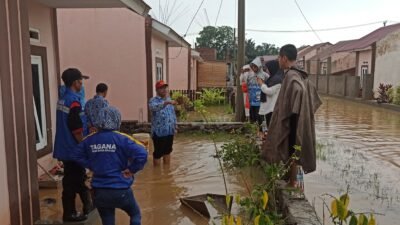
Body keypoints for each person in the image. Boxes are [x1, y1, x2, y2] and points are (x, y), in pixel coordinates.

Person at [72, 106, 147, 225]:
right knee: (135, 214)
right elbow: (143, 153)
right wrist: (132, 170)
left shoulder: (89, 139)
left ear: (98, 121)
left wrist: (91, 165)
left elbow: (75, 155)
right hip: (121, 190)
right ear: (117, 120)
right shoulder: (122, 138)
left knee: (107, 220)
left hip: (100, 192)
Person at [262, 44, 322, 188]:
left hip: (294, 119)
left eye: (279, 57)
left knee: (291, 149)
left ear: (284, 58)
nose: (278, 60)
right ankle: (292, 181)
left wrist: (295, 110)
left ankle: (292, 182)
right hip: (298, 117)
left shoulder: (292, 75)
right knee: (294, 150)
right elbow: (311, 96)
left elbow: (299, 91)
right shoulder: (302, 74)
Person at [53, 68, 92, 222]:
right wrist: (83, 146)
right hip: (73, 148)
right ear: (76, 82)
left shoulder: (63, 99)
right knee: (71, 181)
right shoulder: (74, 101)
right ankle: (69, 213)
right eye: (80, 80)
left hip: (65, 147)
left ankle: (88, 205)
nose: (82, 83)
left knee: (78, 177)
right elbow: (76, 128)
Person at [149, 80, 177, 167]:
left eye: (165, 87)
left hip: (169, 131)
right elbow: (154, 108)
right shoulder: (153, 101)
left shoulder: (169, 100)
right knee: (158, 153)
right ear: (157, 90)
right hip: (159, 133)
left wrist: (175, 127)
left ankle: (166, 173)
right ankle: (157, 174)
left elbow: (172, 115)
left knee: (168, 151)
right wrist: (166, 103)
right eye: (161, 88)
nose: (164, 90)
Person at [257, 60, 283, 128]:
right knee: (268, 126)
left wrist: (261, 84)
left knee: (271, 127)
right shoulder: (272, 78)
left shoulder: (278, 80)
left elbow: (270, 91)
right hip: (269, 107)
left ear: (272, 68)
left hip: (272, 108)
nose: (267, 70)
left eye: (268, 68)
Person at [247, 57, 269, 124]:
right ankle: (254, 127)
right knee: (253, 116)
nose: (253, 69)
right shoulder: (250, 75)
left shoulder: (265, 75)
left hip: (261, 99)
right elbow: (248, 84)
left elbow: (268, 84)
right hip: (252, 99)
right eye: (252, 67)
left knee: (260, 115)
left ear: (259, 67)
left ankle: (261, 129)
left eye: (255, 67)